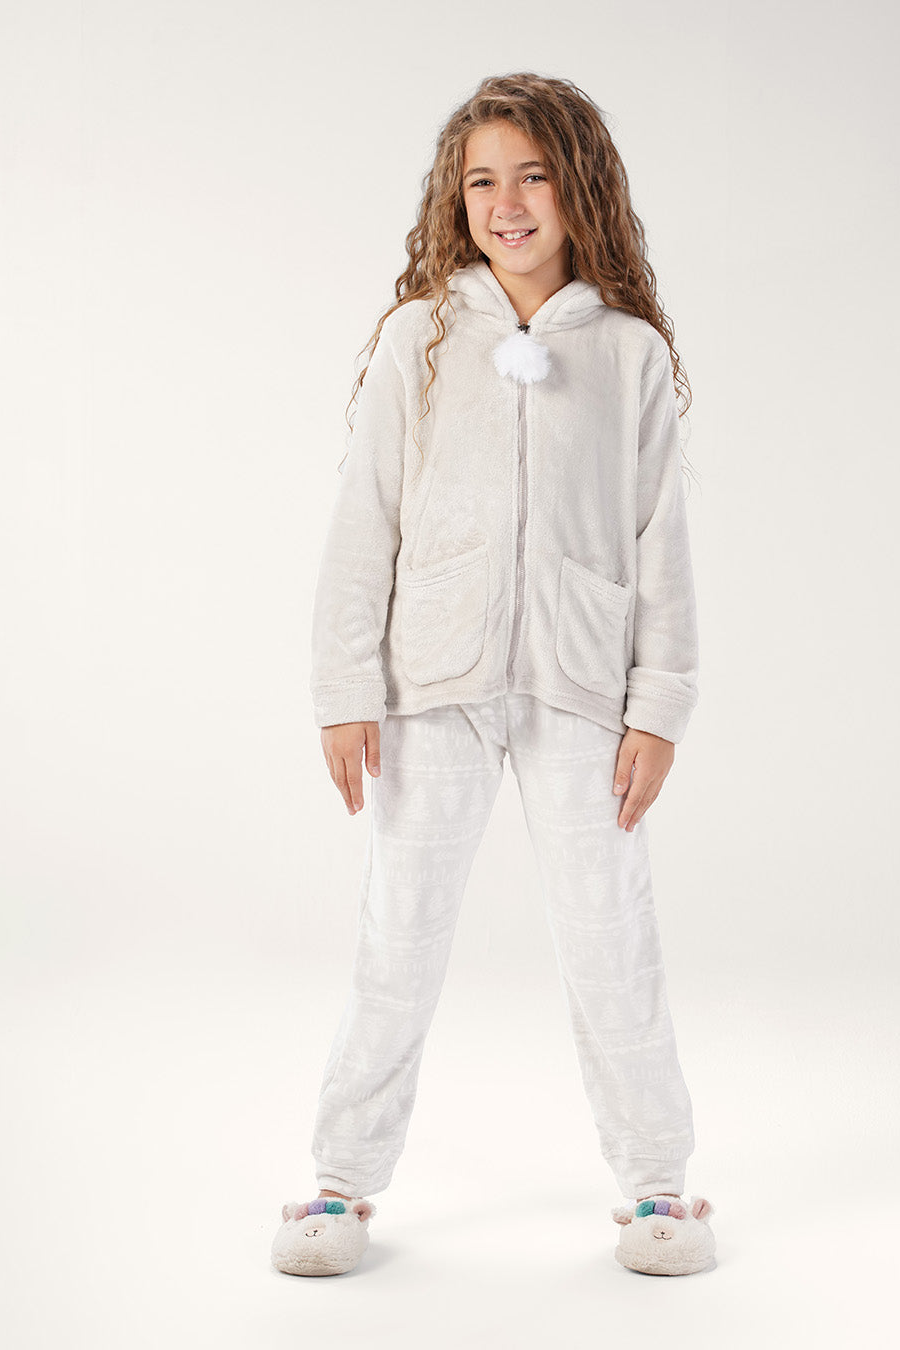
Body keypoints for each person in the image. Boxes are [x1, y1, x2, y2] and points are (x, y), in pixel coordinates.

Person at [271, 71, 716, 1278]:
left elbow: (660, 540)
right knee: (398, 936)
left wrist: (659, 706)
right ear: (454, 198)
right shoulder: (418, 340)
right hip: (432, 686)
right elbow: (364, 521)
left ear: (580, 190)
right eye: (482, 182)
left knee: (611, 934)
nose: (507, 203)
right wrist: (344, 690)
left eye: (533, 176)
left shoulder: (626, 355)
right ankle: (339, 1186)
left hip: (583, 688)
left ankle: (660, 1186)